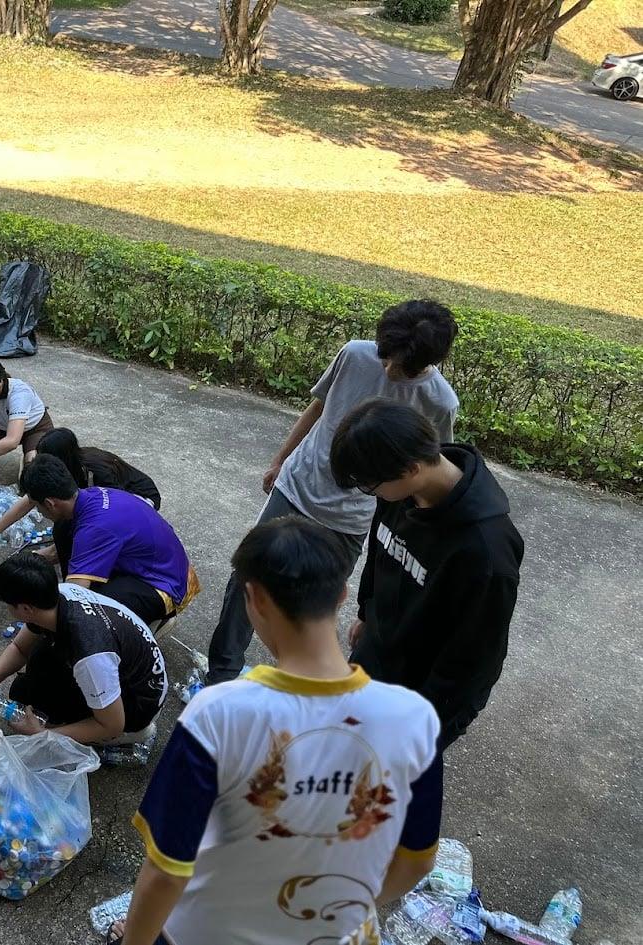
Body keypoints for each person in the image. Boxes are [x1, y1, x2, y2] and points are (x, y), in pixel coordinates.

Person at [111, 516, 443, 945]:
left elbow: (167, 870)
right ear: (342, 593)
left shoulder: (218, 713)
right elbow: (416, 861)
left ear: (254, 599)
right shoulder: (415, 719)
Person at [205, 299, 460, 684]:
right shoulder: (355, 355)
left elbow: (425, 468)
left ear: (428, 361)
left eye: (401, 367)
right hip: (297, 487)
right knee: (248, 579)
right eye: (386, 357)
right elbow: (318, 408)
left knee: (314, 605)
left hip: (353, 517)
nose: (389, 369)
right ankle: (221, 674)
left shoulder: (439, 402)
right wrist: (280, 460)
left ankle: (295, 682)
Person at [330, 397, 523, 753]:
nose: (369, 494)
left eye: (369, 486)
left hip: (422, 696)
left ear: (410, 469)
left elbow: (475, 664)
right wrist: (366, 611)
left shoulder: (486, 552)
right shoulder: (400, 491)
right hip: (376, 654)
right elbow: (381, 550)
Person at [0, 455, 196, 627]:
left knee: (89, 614)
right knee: (63, 530)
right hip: (155, 564)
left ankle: (145, 628)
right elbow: (52, 554)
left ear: (50, 503)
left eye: (38, 507)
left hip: (166, 585)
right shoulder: (90, 497)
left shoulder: (94, 528)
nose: (39, 512)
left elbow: (73, 597)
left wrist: (34, 618)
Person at [0, 552, 168, 744]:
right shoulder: (59, 595)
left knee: (36, 702)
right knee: (32, 675)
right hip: (130, 663)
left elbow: (111, 725)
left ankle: (132, 735)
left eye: (8, 605)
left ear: (26, 609)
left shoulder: (89, 653)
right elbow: (20, 648)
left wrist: (43, 734)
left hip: (137, 705)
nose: (8, 610)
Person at [0, 427, 161, 560]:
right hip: (100, 499)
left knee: (84, 531)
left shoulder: (97, 474)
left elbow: (115, 512)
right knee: (66, 527)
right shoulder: (64, 469)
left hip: (139, 499)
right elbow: (27, 501)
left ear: (61, 460)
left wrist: (52, 553)